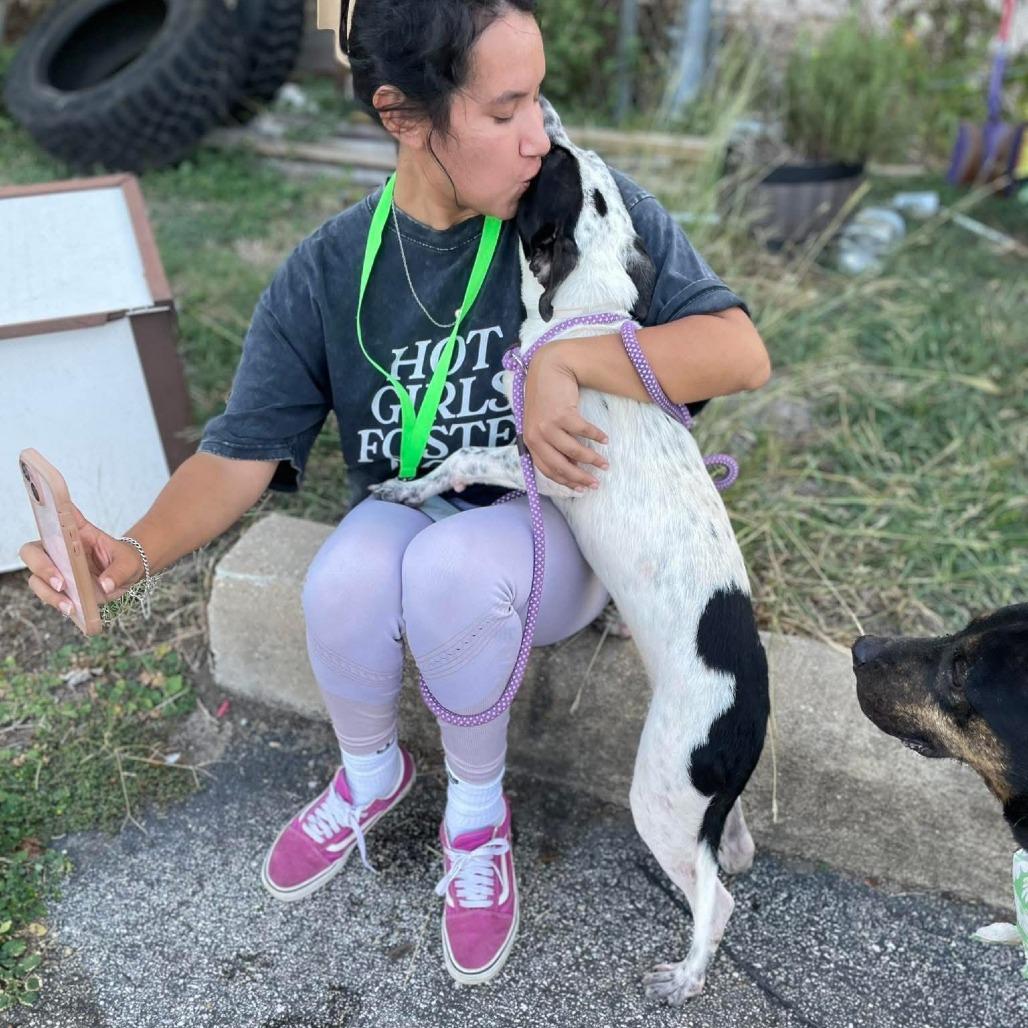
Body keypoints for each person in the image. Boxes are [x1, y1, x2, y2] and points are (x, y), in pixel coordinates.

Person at [19, 0, 770, 987]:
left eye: (536, 98)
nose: (536, 135)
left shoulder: (573, 197)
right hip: (415, 499)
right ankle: (372, 772)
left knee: (453, 572)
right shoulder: (328, 269)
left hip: (548, 527)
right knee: (340, 579)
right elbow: (239, 454)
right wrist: (131, 550)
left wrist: (566, 363)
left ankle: (475, 813)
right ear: (402, 114)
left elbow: (735, 350)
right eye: (502, 112)